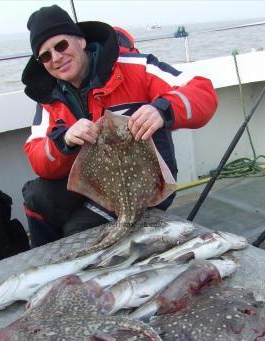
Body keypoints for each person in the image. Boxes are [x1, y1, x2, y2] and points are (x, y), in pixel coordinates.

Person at [21, 5, 218, 247]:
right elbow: (36, 156)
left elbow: (202, 92)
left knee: (77, 230)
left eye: (61, 46)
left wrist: (162, 109)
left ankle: (100, 263)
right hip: (95, 182)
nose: (57, 58)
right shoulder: (50, 98)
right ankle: (47, 264)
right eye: (46, 55)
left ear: (81, 41)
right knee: (36, 196)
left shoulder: (136, 67)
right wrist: (65, 141)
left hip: (143, 182)